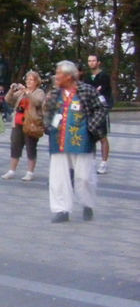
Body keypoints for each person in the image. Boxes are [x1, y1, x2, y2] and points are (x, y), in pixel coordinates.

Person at [43, 60, 108, 223]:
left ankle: (87, 204)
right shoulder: (55, 92)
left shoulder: (86, 90)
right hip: (59, 139)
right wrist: (48, 126)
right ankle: (61, 209)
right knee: (58, 176)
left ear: (69, 76)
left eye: (59, 73)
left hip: (82, 139)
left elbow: (102, 107)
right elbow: (48, 111)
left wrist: (91, 126)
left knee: (84, 176)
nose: (56, 76)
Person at [2, 70, 45, 181]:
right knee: (15, 146)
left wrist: (28, 93)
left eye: (31, 80)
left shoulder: (39, 92)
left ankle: (30, 172)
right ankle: (11, 170)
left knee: (31, 147)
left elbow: (37, 102)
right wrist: (12, 90)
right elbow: (8, 100)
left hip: (31, 124)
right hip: (18, 122)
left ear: (36, 82)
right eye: (27, 79)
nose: (29, 81)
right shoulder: (21, 92)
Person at [86, 54, 112, 175]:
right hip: (88, 109)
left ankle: (104, 162)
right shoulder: (87, 77)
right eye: (89, 61)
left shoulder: (104, 76)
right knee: (90, 136)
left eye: (93, 61)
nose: (91, 63)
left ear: (98, 62)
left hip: (100, 109)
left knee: (102, 136)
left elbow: (103, 92)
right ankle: (91, 161)